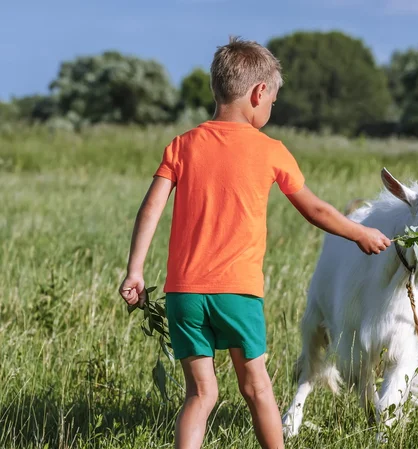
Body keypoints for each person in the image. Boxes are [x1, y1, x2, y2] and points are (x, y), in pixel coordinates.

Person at [119, 36, 391, 449]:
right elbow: (315, 209)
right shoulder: (270, 151)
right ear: (258, 92)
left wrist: (135, 270)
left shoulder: (182, 145)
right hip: (237, 292)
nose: (270, 109)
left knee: (200, 394)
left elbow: (151, 209)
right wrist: (361, 233)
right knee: (257, 389)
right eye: (272, 102)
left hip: (184, 294)